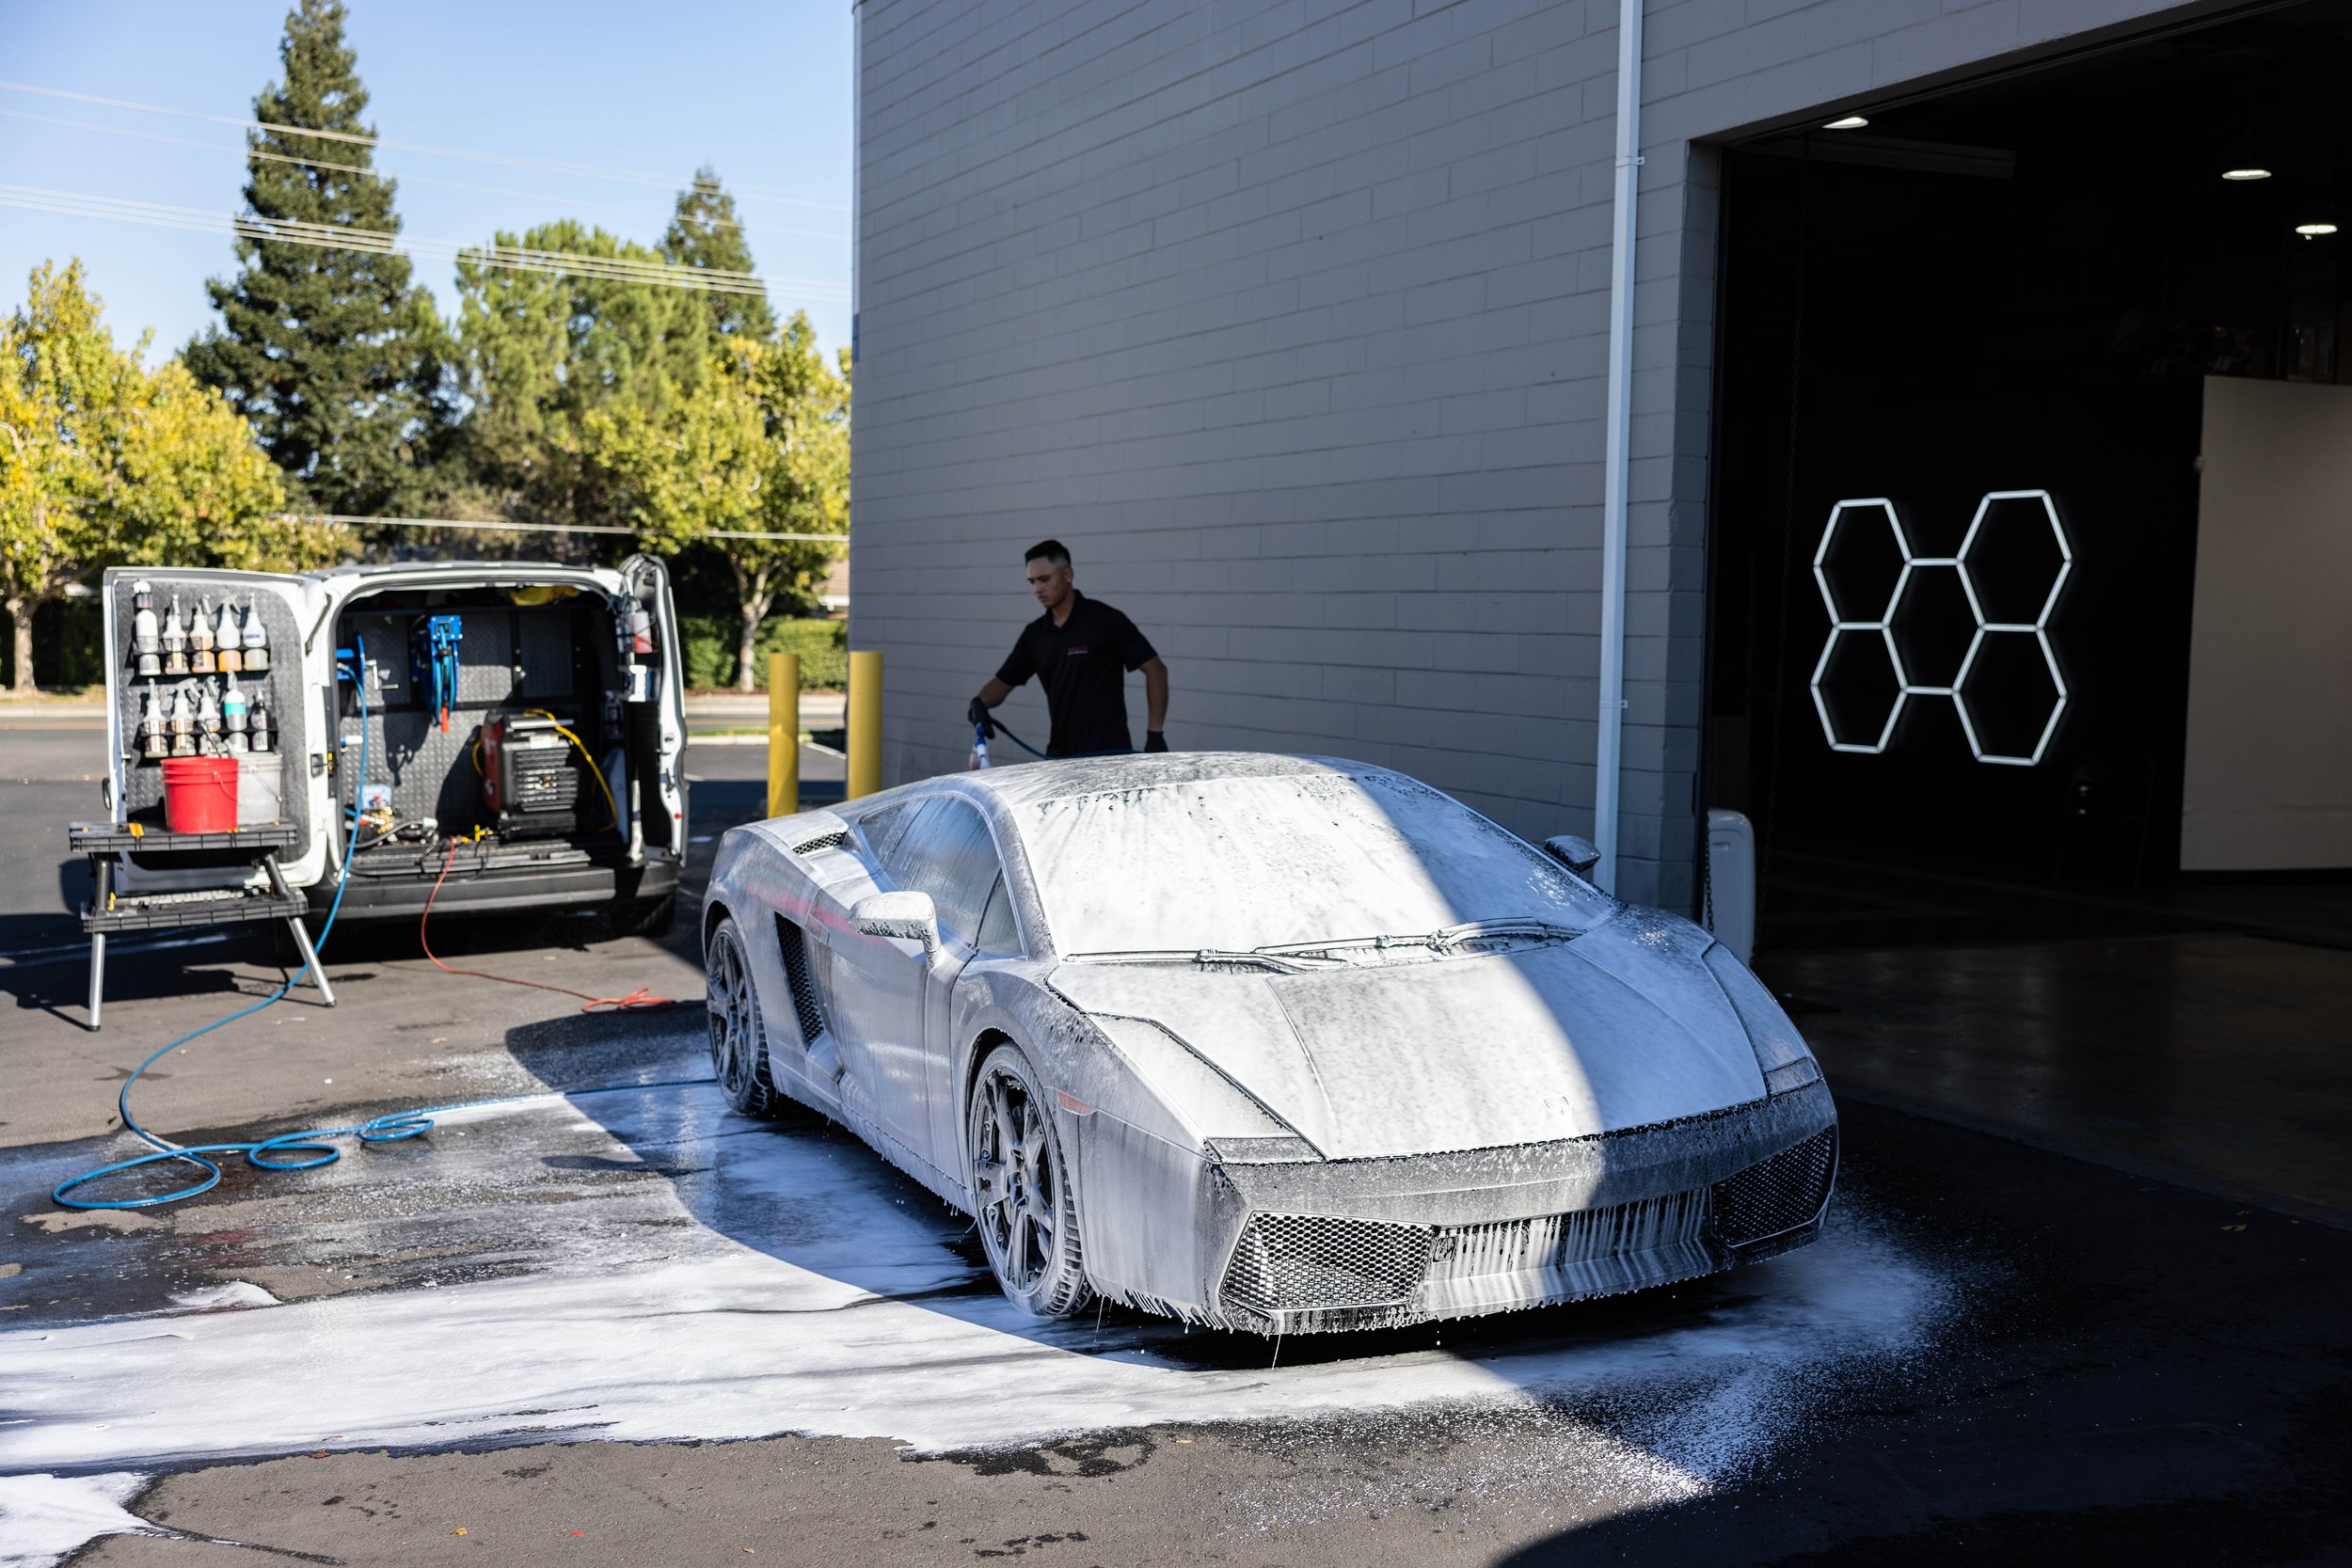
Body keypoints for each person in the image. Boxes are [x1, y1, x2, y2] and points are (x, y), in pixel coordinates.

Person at [968, 540, 1169, 757]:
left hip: (1109, 756)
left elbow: (1156, 670)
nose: (1037, 589)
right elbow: (1003, 681)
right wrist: (979, 703)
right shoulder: (1035, 635)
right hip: (1060, 757)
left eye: (1044, 579)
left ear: (1067, 574)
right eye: (1032, 582)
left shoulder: (1104, 620)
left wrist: (1155, 734)